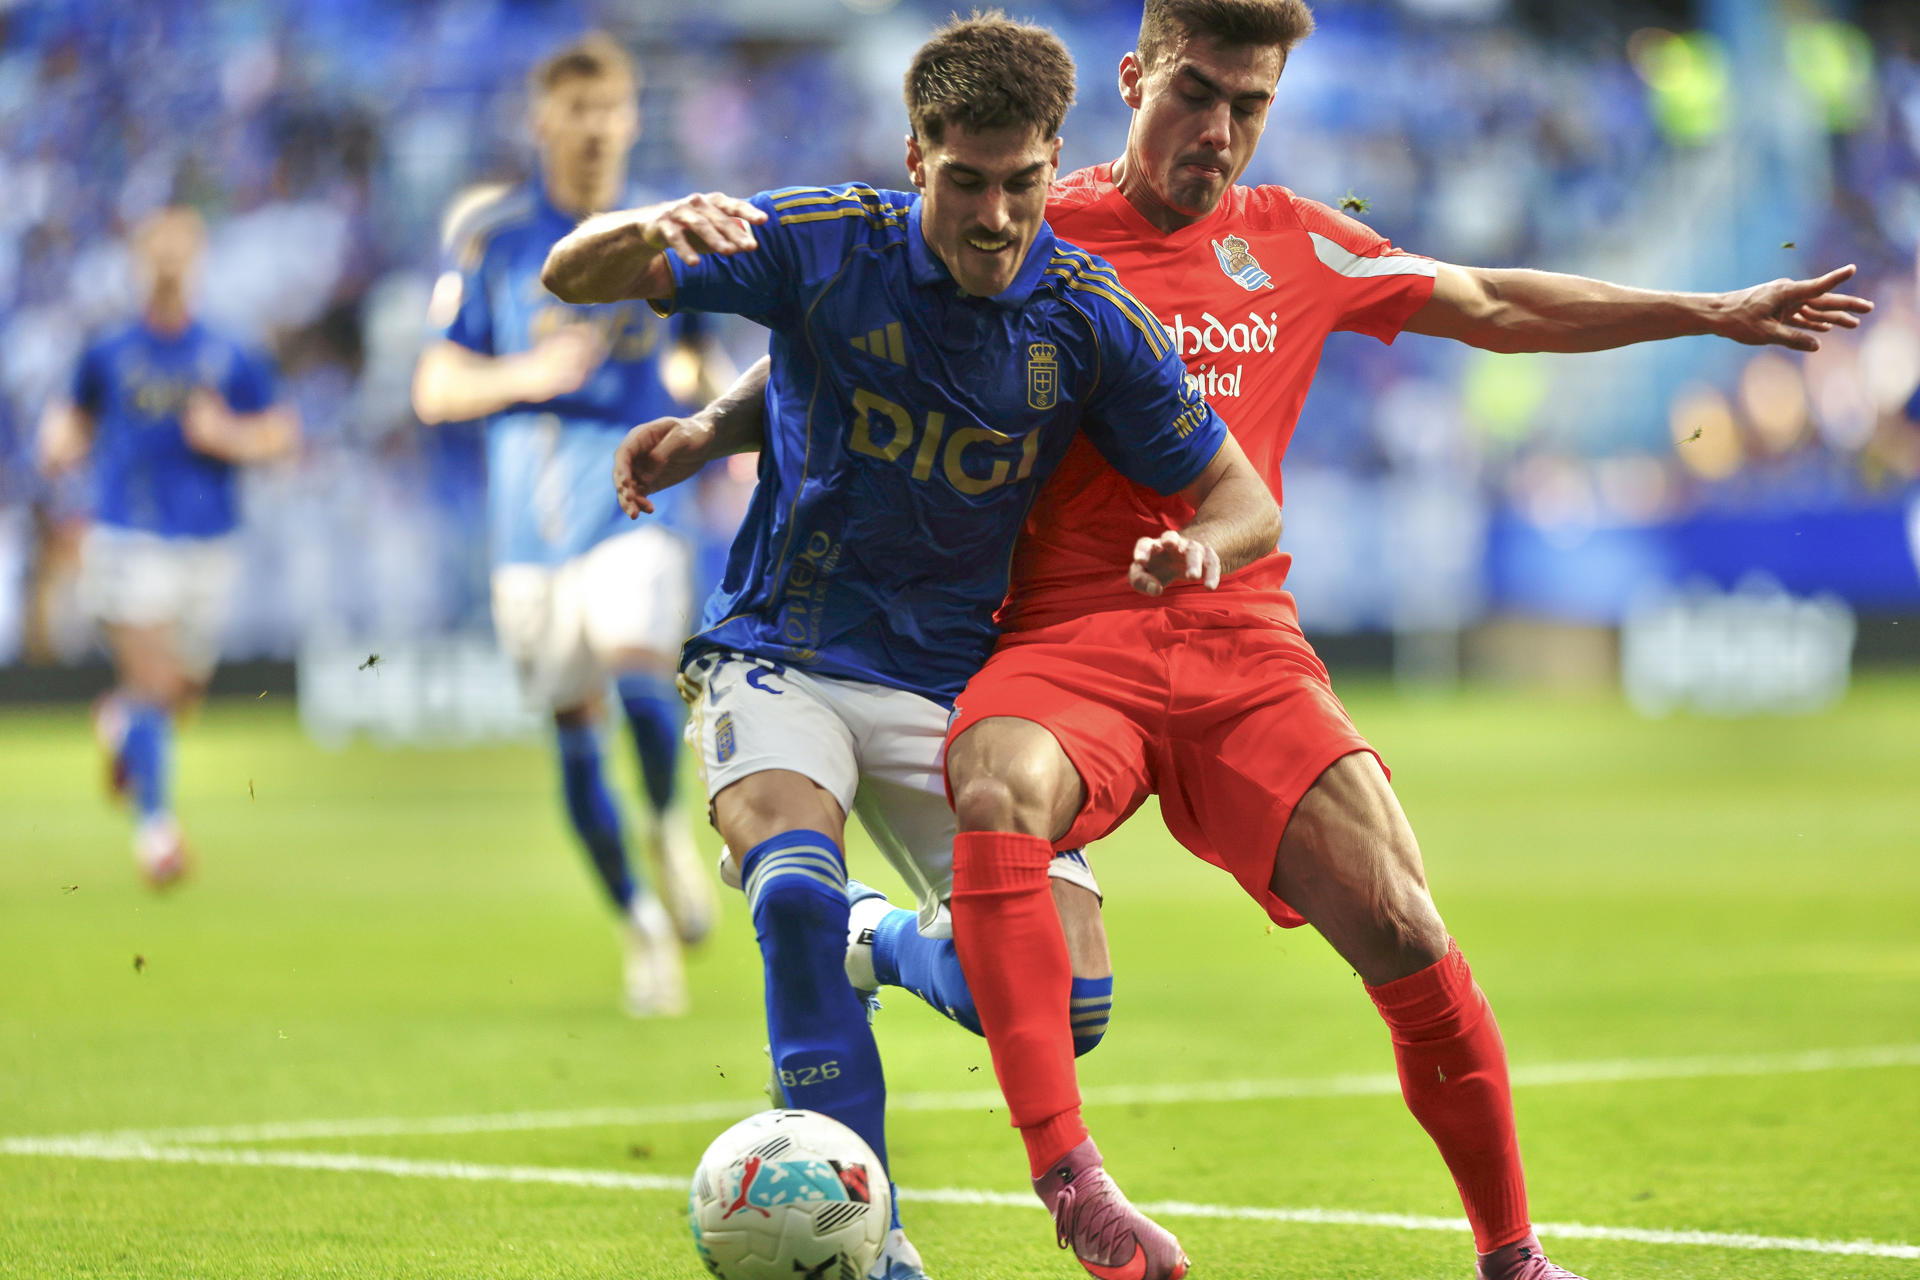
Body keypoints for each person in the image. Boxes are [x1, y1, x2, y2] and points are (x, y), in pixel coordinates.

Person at [664, 4, 1875, 1277]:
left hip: (1244, 642)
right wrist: (710, 426)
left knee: (1404, 920)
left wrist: (1707, 310)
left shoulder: (1296, 241)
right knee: (997, 781)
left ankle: (1513, 1253)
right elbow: (855, 345)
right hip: (1068, 636)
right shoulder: (1031, 217)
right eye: (1198, 93)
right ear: (1135, 79)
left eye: (1252, 104)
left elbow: (1489, 299)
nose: (1221, 132)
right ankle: (1073, 1182)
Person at [540, 16, 1280, 1277]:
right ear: (916, 155)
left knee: (1061, 1004)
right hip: (785, 647)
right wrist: (655, 226)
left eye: (1024, 182)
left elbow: (1245, 494)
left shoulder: (1087, 317)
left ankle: (874, 937)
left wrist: (1205, 546)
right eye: (966, 181)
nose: (997, 215)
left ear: (1055, 157)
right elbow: (572, 273)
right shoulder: (825, 241)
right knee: (785, 887)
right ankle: (867, 1239)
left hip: (959, 683)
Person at [410, 33, 722, 1017]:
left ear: (632, 118)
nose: (595, 129)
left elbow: (700, 359)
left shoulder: (667, 230)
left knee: (637, 665)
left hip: (632, 501)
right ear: (545, 121)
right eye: (577, 112)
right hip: (525, 530)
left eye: (612, 110)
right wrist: (523, 377)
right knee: (573, 734)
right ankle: (638, 923)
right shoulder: (493, 238)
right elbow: (433, 383)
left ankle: (670, 825)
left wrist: (735, 430)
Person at [37, 206, 300, 887]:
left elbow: (280, 434)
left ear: (200, 262)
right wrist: (59, 441)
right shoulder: (109, 350)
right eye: (158, 253)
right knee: (154, 678)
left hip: (209, 539)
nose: (169, 265)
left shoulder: (230, 350)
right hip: (129, 530)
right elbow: (74, 413)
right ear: (137, 262)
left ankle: (120, 723)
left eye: (181, 253)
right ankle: (157, 834)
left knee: (180, 692)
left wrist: (229, 437)